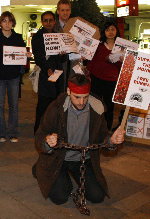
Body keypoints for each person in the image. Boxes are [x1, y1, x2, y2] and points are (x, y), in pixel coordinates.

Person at [33, 74, 125, 205]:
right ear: (69, 91)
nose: (81, 102)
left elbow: (102, 136)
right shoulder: (56, 108)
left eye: (85, 97)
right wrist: (47, 141)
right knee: (60, 197)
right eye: (77, 97)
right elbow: (40, 134)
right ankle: (40, 168)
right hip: (60, 158)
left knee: (97, 196)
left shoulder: (96, 109)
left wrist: (111, 141)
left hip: (84, 158)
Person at [0, 11, 29, 143]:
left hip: (14, 76)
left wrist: (27, 55)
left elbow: (23, 53)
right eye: (4, 21)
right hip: (0, 77)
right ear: (0, 23)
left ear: (13, 23)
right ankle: (1, 133)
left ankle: (13, 133)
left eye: (9, 21)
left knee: (14, 106)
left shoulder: (18, 38)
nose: (7, 23)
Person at [32, 11, 64, 134]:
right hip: (45, 75)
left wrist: (62, 55)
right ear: (42, 22)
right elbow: (38, 56)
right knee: (43, 104)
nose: (48, 23)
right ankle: (38, 130)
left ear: (54, 21)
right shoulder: (37, 36)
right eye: (46, 20)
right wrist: (47, 69)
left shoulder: (58, 36)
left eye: (51, 20)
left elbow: (63, 58)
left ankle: (54, 130)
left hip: (58, 74)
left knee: (56, 103)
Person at [86, 22, 122, 130]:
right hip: (96, 78)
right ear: (104, 32)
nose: (110, 32)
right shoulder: (98, 45)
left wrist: (121, 59)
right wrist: (88, 74)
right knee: (95, 104)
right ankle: (94, 127)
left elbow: (122, 66)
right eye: (107, 30)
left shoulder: (121, 48)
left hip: (112, 80)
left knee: (109, 106)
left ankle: (106, 129)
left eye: (112, 29)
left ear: (116, 31)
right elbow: (91, 61)